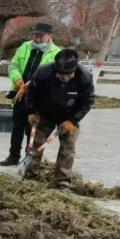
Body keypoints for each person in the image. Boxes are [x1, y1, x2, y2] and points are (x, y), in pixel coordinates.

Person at [24, 49, 95, 190]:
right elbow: (31, 93)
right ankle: (30, 176)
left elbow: (88, 101)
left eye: (67, 74)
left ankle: (62, 181)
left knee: (67, 149)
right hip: (45, 113)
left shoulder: (84, 77)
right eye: (61, 73)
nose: (64, 76)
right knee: (35, 145)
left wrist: (73, 120)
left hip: (69, 115)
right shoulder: (43, 73)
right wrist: (31, 111)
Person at [0, 23, 61, 167]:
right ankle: (13, 155)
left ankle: (29, 158)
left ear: (49, 35)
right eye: (35, 35)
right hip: (20, 95)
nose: (37, 39)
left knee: (32, 129)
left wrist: (30, 85)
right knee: (17, 127)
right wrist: (17, 80)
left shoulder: (56, 53)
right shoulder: (25, 47)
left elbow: (50, 76)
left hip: (37, 99)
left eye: (41, 36)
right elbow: (13, 65)